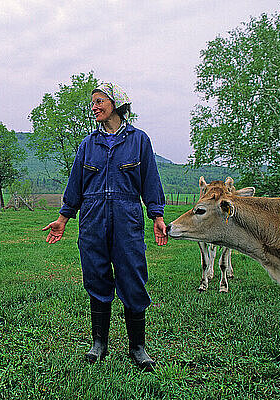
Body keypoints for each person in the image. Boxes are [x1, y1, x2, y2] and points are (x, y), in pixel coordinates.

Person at [43, 82, 168, 371]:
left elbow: (151, 180)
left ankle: (138, 347)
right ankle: (99, 343)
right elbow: (75, 184)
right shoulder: (88, 144)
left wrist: (157, 216)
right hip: (92, 220)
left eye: (100, 101)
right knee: (96, 276)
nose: (94, 106)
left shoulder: (139, 140)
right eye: (93, 102)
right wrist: (63, 218)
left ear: (116, 104)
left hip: (127, 218)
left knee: (132, 277)